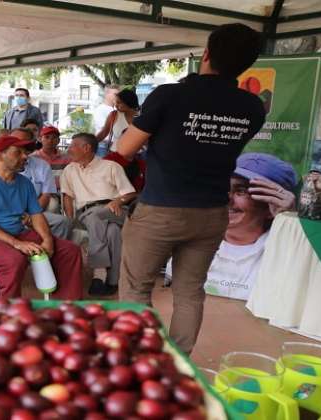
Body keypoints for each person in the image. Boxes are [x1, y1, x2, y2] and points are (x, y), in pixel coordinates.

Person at [116, 23, 266, 354]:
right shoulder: (253, 107)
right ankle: (179, 363)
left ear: (207, 53)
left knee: (136, 290)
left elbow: (126, 148)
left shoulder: (170, 95)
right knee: (189, 292)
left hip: (160, 210)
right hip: (212, 213)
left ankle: (142, 361)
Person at [0, 135, 83, 299]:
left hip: (19, 232)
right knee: (14, 260)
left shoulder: (24, 183)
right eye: (18, 152)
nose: (25, 156)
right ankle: (8, 311)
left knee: (69, 251)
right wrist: (17, 244)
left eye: (25, 152)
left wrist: (47, 239)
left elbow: (36, 214)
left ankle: (66, 306)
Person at [167, 153, 296, 299]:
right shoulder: (193, 242)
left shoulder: (287, 253)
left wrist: (289, 222)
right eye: (223, 188)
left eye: (241, 191)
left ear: (271, 205)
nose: (227, 199)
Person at [61, 133, 137, 295]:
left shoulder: (111, 166)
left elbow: (130, 193)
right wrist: (70, 219)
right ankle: (113, 280)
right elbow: (67, 196)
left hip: (115, 210)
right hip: (86, 213)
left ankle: (99, 274)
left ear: (86, 148)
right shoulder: (69, 170)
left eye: (72, 146)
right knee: (113, 232)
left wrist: (118, 201)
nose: (69, 150)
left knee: (97, 216)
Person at [96, 89, 140, 153]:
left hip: (137, 156)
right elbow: (104, 133)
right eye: (116, 102)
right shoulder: (114, 115)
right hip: (115, 154)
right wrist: (90, 142)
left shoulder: (142, 117)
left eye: (119, 102)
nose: (116, 105)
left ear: (128, 102)